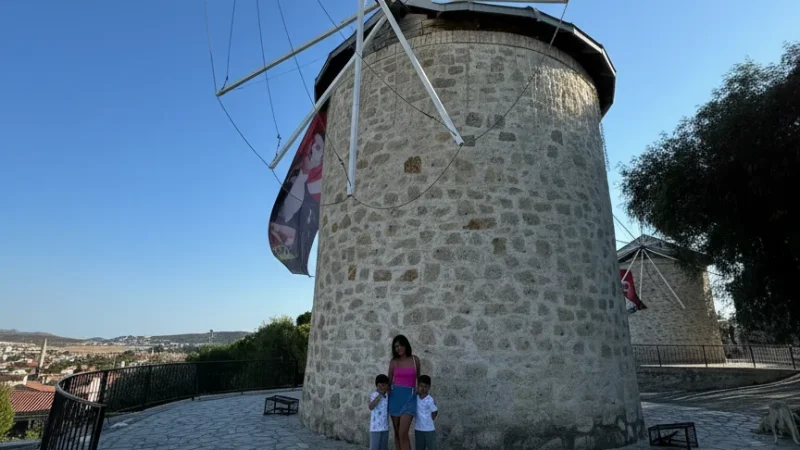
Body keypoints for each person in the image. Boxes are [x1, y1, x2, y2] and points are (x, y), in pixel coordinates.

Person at [388, 335, 420, 450]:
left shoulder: (415, 360)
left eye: (401, 345)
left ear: (406, 345)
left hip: (410, 398)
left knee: (403, 433)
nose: (399, 348)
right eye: (396, 346)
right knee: (397, 434)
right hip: (395, 398)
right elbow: (389, 381)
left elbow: (419, 379)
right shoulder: (393, 362)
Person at [415, 375, 438, 450]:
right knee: (419, 447)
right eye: (421, 386)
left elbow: (435, 411)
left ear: (429, 388)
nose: (423, 388)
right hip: (418, 429)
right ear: (418, 386)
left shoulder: (430, 400)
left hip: (429, 429)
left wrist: (430, 420)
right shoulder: (416, 398)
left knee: (432, 447)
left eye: (426, 386)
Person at [368, 374, 390, 450]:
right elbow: (371, 407)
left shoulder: (388, 396)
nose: (382, 388)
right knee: (374, 447)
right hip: (375, 428)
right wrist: (380, 395)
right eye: (380, 386)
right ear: (377, 386)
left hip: (385, 427)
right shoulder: (374, 395)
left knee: (384, 447)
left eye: (384, 385)